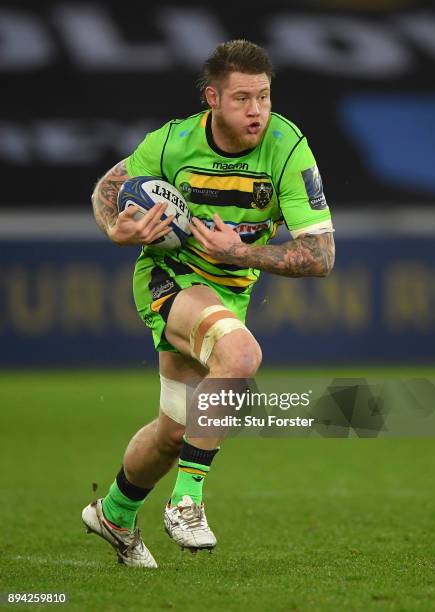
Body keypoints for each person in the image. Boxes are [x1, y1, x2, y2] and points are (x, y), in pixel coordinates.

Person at [82, 39, 335, 568]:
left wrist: (240, 251)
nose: (257, 111)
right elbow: (108, 189)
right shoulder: (171, 143)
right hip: (167, 278)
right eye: (242, 99)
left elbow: (320, 256)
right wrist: (119, 229)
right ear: (212, 99)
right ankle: (187, 503)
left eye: (264, 97)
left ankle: (114, 512)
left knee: (175, 431)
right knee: (241, 357)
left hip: (229, 289)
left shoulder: (288, 148)